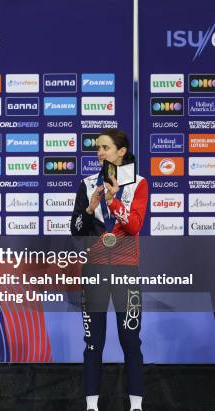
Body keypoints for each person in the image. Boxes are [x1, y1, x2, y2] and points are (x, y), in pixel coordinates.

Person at [71, 129, 148, 411]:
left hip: (126, 271)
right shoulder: (88, 183)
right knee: (93, 343)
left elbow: (134, 226)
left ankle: (136, 407)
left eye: (105, 147)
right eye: (98, 148)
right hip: (94, 272)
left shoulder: (139, 183)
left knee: (130, 340)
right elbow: (76, 232)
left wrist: (114, 200)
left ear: (121, 152)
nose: (99, 153)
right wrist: (90, 210)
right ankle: (91, 407)